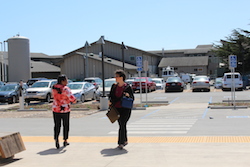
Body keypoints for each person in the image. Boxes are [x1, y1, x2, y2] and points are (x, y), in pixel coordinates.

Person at [109, 69, 134, 149]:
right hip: (117, 109)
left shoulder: (127, 87)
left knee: (122, 124)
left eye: (117, 76)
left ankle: (121, 143)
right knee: (122, 125)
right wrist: (110, 101)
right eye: (115, 76)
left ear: (122, 77)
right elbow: (111, 96)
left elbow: (132, 98)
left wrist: (128, 95)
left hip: (125, 109)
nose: (115, 78)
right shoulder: (114, 86)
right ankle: (125, 140)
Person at [52, 74, 76, 149]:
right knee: (66, 125)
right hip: (65, 109)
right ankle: (65, 140)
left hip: (55, 108)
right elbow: (72, 98)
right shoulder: (66, 89)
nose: (67, 81)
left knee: (57, 125)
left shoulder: (54, 88)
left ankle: (56, 138)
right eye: (66, 80)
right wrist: (73, 101)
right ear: (62, 81)